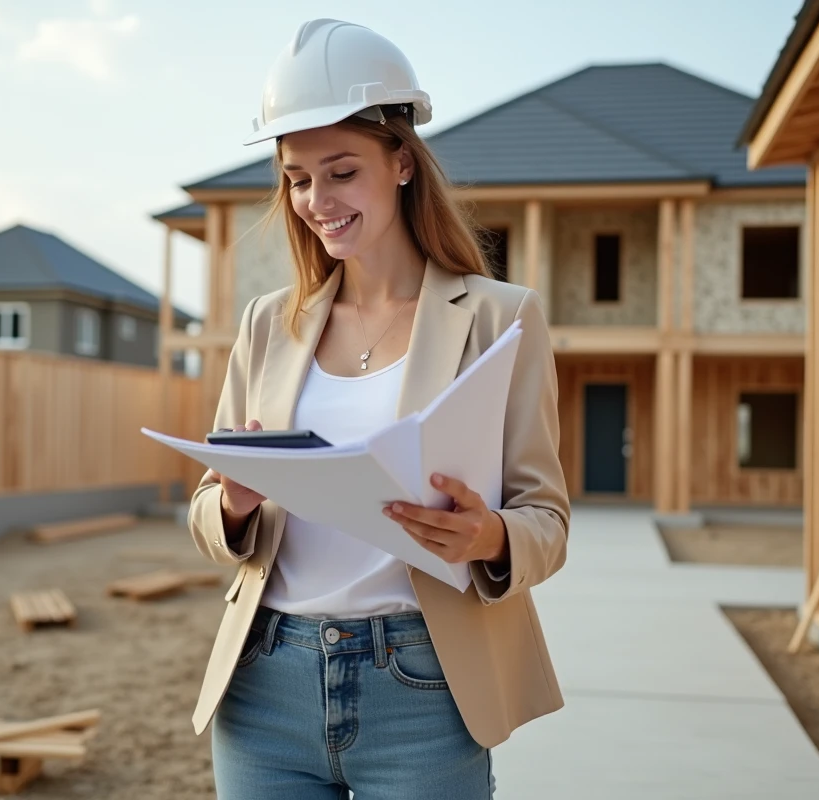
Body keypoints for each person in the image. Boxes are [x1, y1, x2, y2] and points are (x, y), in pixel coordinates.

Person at [186, 18, 570, 800]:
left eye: (340, 172)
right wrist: (232, 504)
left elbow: (547, 520)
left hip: (425, 687)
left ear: (400, 162)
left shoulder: (502, 317)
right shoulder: (269, 324)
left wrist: (487, 534)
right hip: (266, 683)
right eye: (296, 178)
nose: (316, 201)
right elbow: (205, 513)